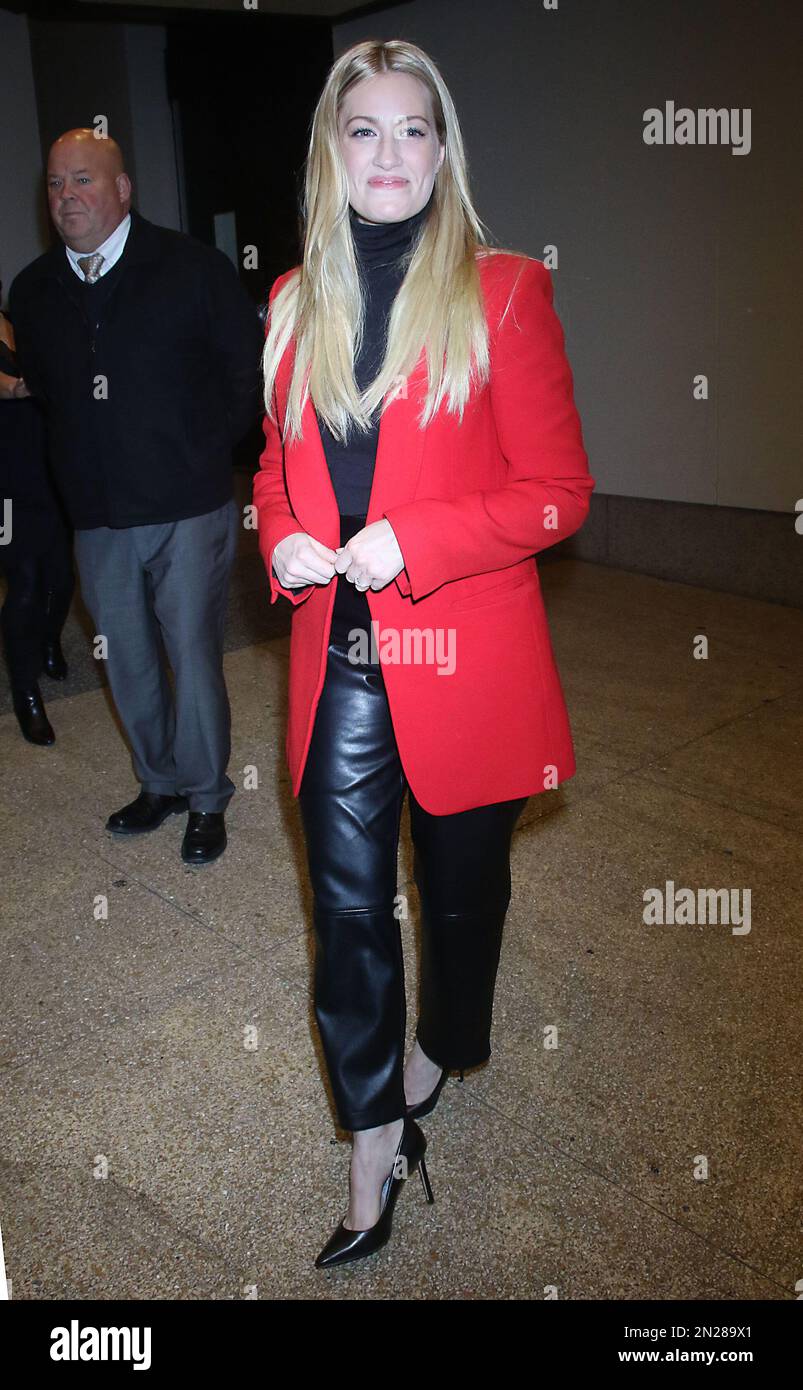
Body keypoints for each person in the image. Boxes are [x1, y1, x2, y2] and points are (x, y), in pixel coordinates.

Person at [254, 39, 595, 1268]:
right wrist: (288, 535)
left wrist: (417, 537)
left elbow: (560, 494)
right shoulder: (295, 299)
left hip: (462, 658)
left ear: (442, 149)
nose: (388, 155)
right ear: (330, 150)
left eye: (411, 130)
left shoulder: (501, 290)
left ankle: (438, 1045)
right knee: (344, 912)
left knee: (458, 907)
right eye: (364, 131)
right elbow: (275, 466)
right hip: (337, 655)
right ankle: (372, 1140)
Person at [10, 129, 264, 863]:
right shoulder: (32, 291)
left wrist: (198, 454)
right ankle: (160, 783)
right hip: (96, 517)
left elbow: (242, 377)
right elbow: (57, 398)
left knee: (189, 653)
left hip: (188, 505)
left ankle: (207, 794)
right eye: (56, 185)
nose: (67, 198)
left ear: (124, 190)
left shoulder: (192, 269)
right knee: (125, 659)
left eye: (83, 180)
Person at [0, 289, 74, 745]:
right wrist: (21, 386)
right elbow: (8, 385)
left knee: (62, 577)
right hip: (5, 483)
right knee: (24, 582)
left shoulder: (17, 315)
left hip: (47, 467)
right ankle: (25, 691)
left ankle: (47, 639)